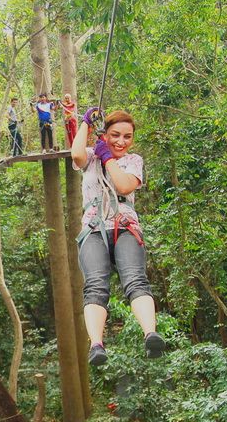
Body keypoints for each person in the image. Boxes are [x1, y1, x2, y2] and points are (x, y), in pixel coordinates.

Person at [70, 109, 166, 367]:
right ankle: (96, 345)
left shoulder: (133, 160)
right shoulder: (91, 157)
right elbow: (77, 155)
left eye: (127, 137)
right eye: (114, 135)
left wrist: (108, 157)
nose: (121, 142)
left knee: (135, 279)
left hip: (125, 226)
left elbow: (124, 186)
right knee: (95, 285)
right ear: (105, 134)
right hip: (93, 228)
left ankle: (150, 334)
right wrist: (85, 125)